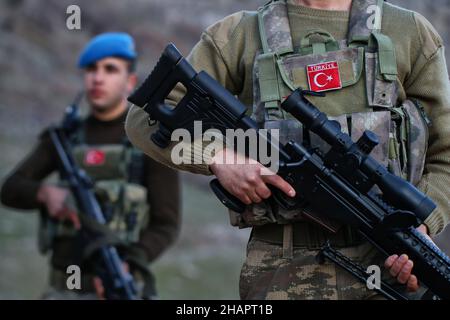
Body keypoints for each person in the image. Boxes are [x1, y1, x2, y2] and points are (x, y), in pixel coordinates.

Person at [125, 0, 450, 299]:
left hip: (388, 274)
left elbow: (446, 152)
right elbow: (144, 119)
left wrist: (420, 228)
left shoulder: (409, 32)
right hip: (278, 274)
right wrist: (219, 158)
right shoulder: (239, 34)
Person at [1, 32, 181, 299]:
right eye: (91, 69)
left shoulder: (149, 141)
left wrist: (129, 264)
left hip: (117, 286)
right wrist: (45, 194)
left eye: (110, 69)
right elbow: (10, 189)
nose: (98, 78)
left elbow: (166, 224)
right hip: (63, 290)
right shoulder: (63, 139)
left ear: (129, 81)